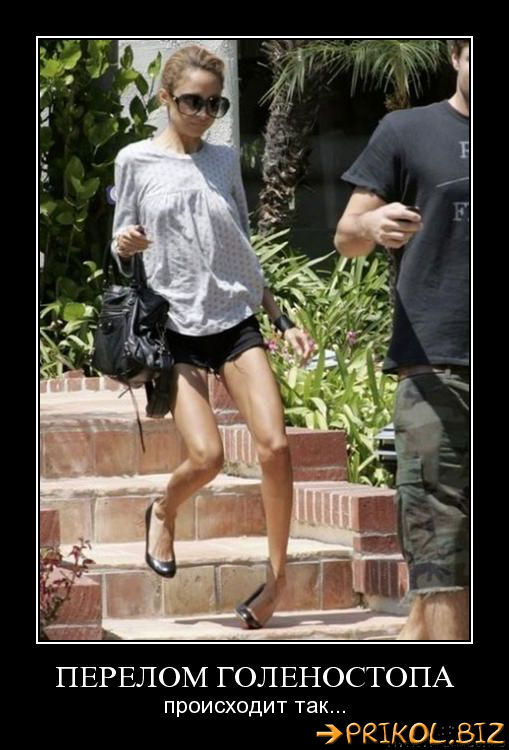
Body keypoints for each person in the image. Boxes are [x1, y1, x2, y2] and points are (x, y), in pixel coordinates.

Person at [111, 45, 314, 629]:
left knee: (276, 447)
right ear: (166, 98)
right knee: (207, 458)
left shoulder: (223, 162)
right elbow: (118, 244)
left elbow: (241, 248)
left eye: (214, 104)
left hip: (233, 319)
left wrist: (280, 318)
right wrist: (126, 243)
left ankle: (276, 581)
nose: (203, 113)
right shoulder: (135, 160)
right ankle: (163, 509)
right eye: (192, 102)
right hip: (173, 326)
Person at [334, 40, 470, 640]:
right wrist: (371, 222)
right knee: (438, 527)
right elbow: (346, 235)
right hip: (437, 360)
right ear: (456, 55)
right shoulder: (406, 131)